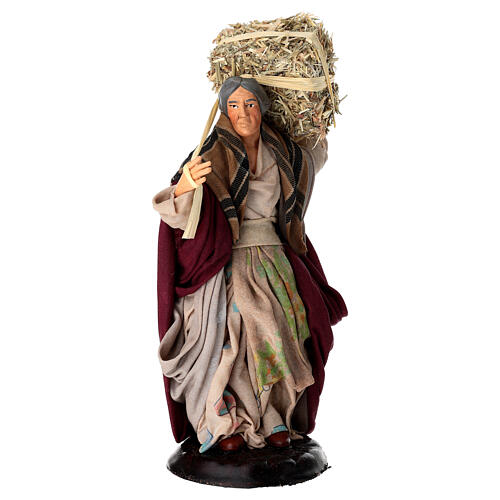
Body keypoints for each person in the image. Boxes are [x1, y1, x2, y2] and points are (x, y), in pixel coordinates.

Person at [153, 76, 345, 453]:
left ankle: (275, 414)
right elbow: (180, 208)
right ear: (226, 111)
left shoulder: (281, 151)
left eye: (250, 104)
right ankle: (229, 418)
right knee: (236, 332)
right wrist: (185, 186)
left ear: (263, 107)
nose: (243, 113)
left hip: (274, 257)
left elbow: (310, 161)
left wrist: (319, 126)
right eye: (235, 105)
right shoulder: (213, 152)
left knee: (284, 328)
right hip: (230, 259)